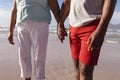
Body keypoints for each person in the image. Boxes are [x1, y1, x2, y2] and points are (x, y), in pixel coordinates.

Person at [57, 0, 117, 80]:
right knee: (77, 70)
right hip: (73, 26)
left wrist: (101, 30)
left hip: (92, 26)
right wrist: (60, 24)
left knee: (85, 71)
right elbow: (67, 2)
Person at [8, 0, 60, 80]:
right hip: (21, 25)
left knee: (39, 57)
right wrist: (10, 31)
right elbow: (14, 10)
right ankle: (26, 78)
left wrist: (60, 24)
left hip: (40, 22)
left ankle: (39, 78)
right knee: (23, 57)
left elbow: (53, 4)